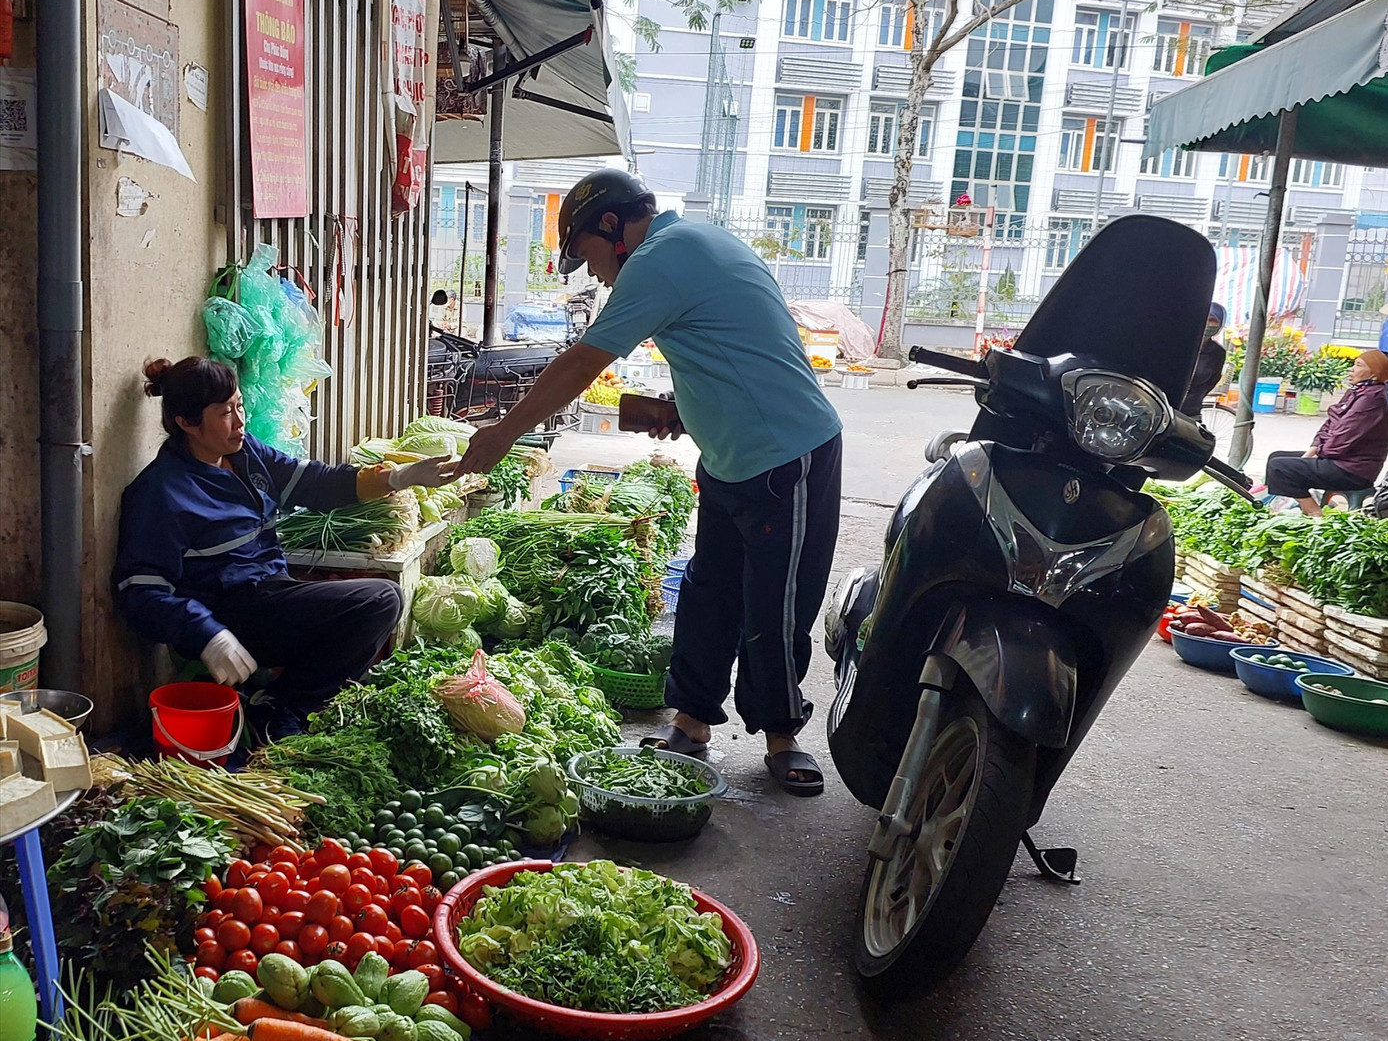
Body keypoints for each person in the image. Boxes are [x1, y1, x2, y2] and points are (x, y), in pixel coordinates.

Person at [458, 169, 844, 793]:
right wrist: (684, 409)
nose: (593, 273)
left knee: (776, 602)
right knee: (709, 590)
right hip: (730, 456)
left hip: (786, 453)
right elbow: (732, 351)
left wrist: (504, 432)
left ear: (612, 226)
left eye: (586, 254)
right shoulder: (693, 242)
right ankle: (691, 722)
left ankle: (782, 735)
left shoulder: (661, 258)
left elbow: (583, 362)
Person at [113, 357, 464, 740]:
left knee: (373, 604)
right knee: (380, 599)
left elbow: (314, 483)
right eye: (225, 413)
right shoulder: (160, 493)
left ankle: (278, 701)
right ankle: (283, 709)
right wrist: (207, 633)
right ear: (187, 423)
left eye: (239, 405)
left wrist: (398, 477)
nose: (240, 421)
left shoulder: (245, 455)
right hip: (230, 615)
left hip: (271, 593)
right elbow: (140, 592)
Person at [1264, 350, 1388, 515]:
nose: (1351, 369)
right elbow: (1330, 422)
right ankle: (1284, 504)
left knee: (1280, 467)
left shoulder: (1372, 400)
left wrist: (1320, 453)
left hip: (1352, 471)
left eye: (1359, 365)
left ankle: (1314, 514)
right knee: (1276, 457)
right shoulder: (1358, 392)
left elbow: (1342, 439)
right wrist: (1312, 450)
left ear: (1375, 373)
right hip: (1339, 459)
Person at [1178, 302, 1227, 418]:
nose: (1208, 324)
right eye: (1205, 319)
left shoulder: (1217, 352)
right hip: (1166, 405)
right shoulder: (1180, 345)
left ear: (1220, 325)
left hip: (1192, 409)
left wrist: (1196, 397)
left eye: (1213, 320)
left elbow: (1213, 379)